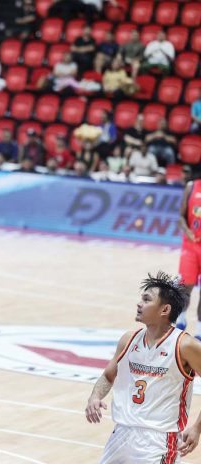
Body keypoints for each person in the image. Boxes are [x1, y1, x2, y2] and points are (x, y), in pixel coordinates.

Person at [86, 272, 201, 463]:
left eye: (146, 300)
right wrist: (95, 396)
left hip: (159, 441)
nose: (139, 303)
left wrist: (197, 427)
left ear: (164, 310)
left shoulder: (184, 345)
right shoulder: (128, 340)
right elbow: (108, 376)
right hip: (121, 434)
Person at [175, 175, 201, 340]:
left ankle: (199, 332)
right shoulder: (191, 187)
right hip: (190, 247)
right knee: (185, 288)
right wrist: (187, 230)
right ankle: (181, 317)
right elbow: (180, 218)